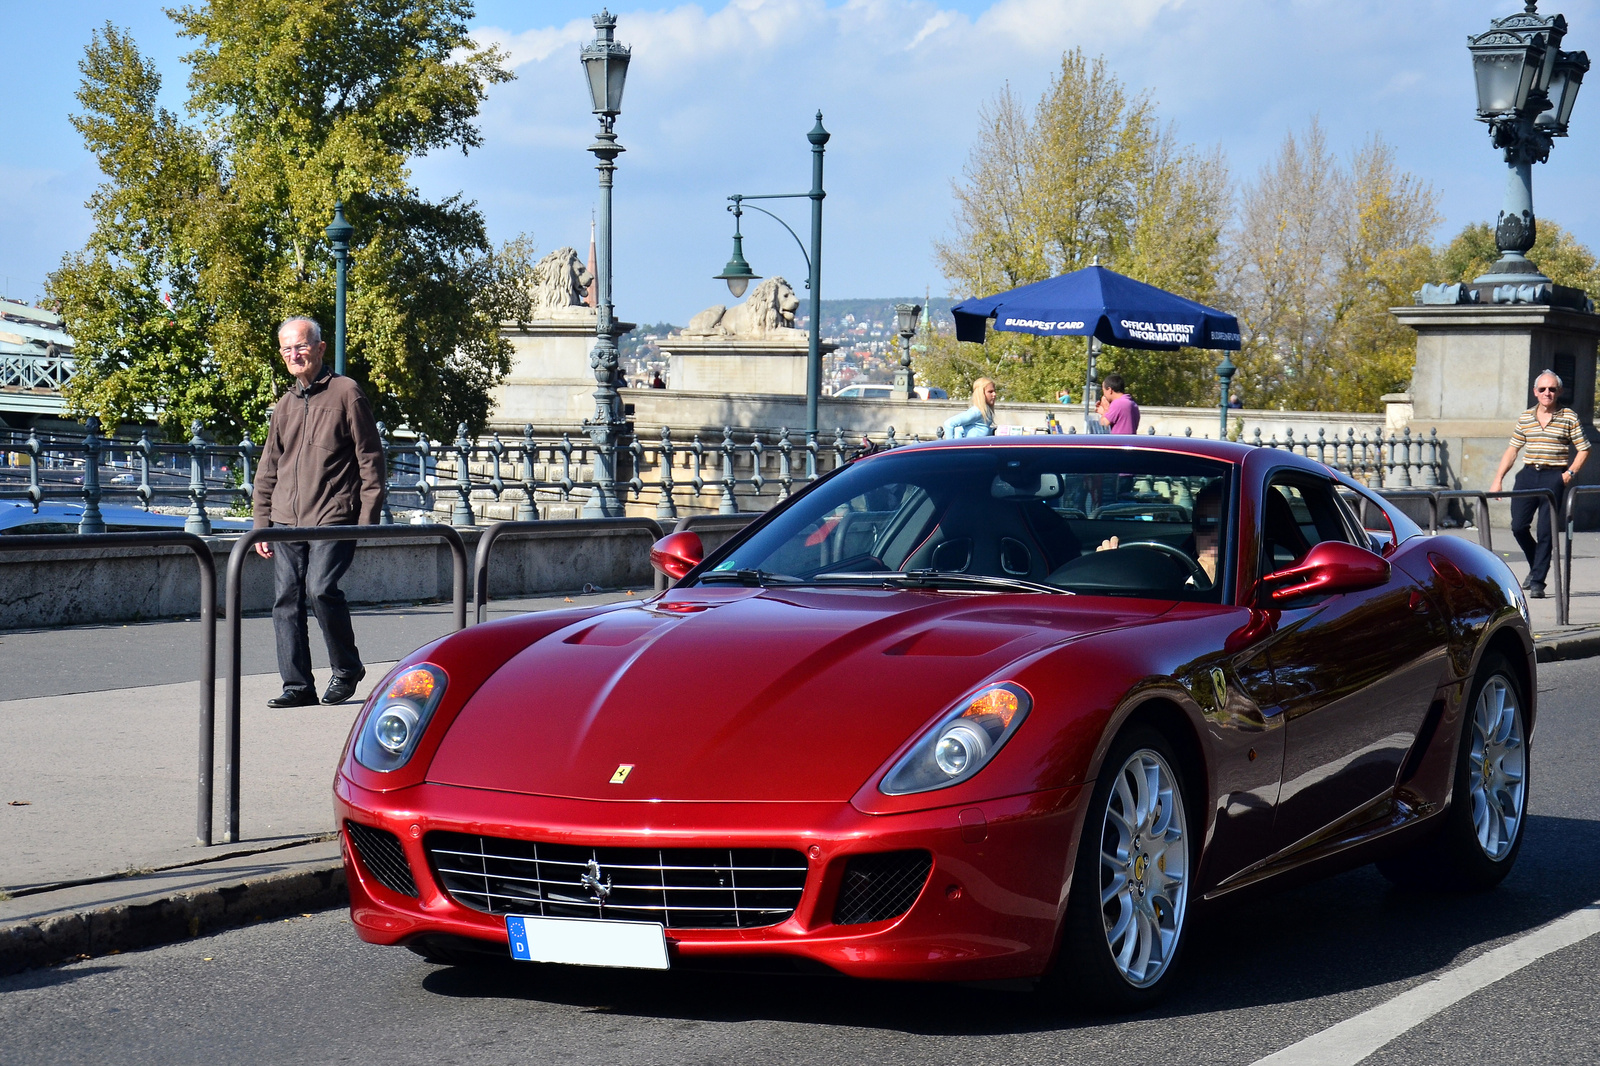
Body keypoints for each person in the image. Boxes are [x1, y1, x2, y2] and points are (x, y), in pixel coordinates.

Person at [252, 317, 386, 707]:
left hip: (334, 513)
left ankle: (347, 668)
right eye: (286, 349)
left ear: (321, 348)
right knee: (286, 599)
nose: (294, 355)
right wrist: (262, 523)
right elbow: (268, 467)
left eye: (301, 346)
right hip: (285, 519)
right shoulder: (285, 403)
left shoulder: (347, 393)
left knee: (321, 589)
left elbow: (371, 459)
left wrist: (368, 520)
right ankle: (297, 685)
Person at [1490, 369, 1589, 599]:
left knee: (1546, 531)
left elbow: (1584, 448)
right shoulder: (1526, 417)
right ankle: (1537, 565)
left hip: (1553, 476)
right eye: (1543, 389)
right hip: (1527, 476)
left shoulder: (1568, 417)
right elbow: (1513, 449)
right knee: (1518, 526)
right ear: (1535, 392)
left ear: (1559, 391)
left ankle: (1538, 582)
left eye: (1552, 389)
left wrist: (1569, 474)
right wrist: (1498, 479)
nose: (1547, 393)